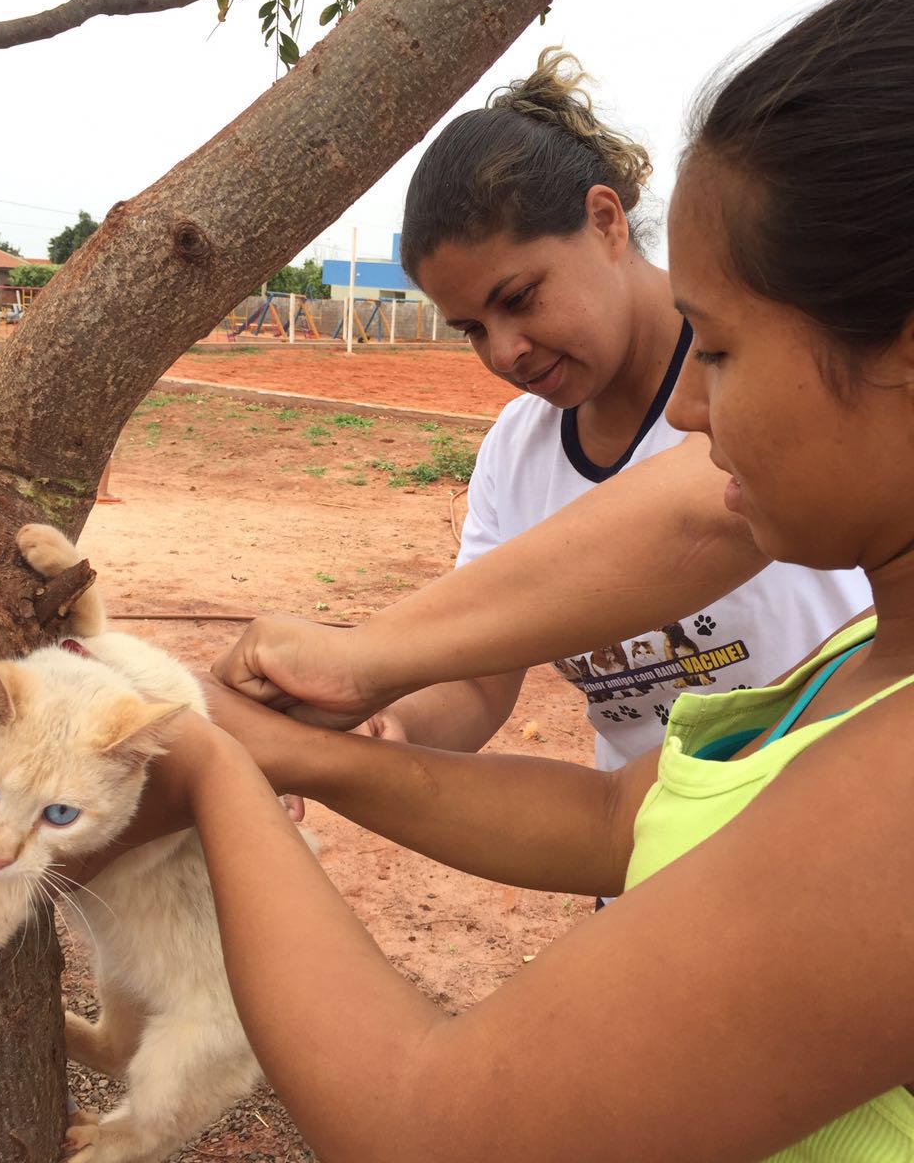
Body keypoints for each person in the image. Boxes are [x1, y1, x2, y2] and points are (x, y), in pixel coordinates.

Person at [100, 0, 914, 1161]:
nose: (693, 408)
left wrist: (238, 767)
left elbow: (433, 1125)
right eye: (473, 326)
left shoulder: (881, 804)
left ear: (601, 218)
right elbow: (612, 815)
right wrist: (330, 740)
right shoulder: (857, 656)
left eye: (727, 352)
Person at [329, 49, 870, 775]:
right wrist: (383, 725)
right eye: (472, 329)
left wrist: (360, 656)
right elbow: (478, 676)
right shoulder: (513, 454)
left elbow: (699, 515)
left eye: (518, 298)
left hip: (836, 829)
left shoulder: (768, 362)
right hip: (645, 858)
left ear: (606, 221)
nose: (505, 352)